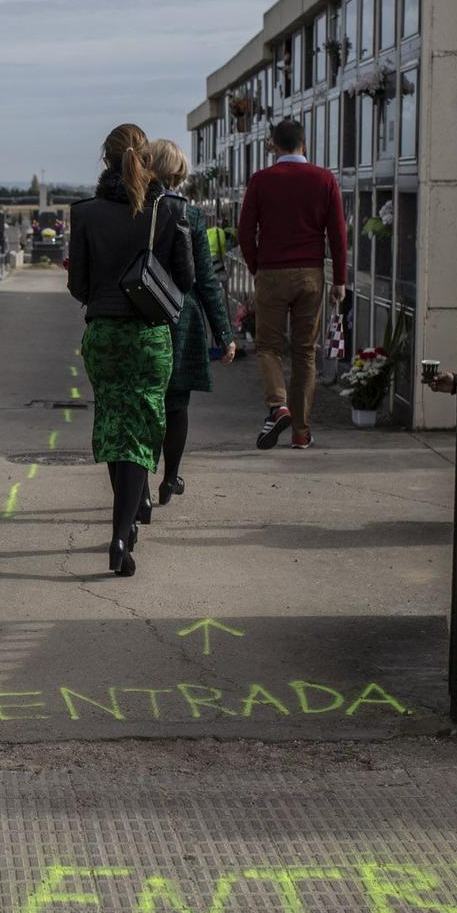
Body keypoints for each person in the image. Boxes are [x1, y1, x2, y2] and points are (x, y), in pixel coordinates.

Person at [66, 123, 193, 578]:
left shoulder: (85, 214)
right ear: (146, 157)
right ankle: (122, 533)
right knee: (141, 425)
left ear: (106, 160)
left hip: (103, 335)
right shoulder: (170, 208)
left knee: (114, 419)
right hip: (149, 335)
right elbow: (187, 279)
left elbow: (78, 284)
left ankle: (122, 524)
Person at [238, 117, 348, 450]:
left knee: (269, 347)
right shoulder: (324, 179)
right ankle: (301, 431)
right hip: (311, 275)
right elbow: (338, 234)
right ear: (304, 143)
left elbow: (245, 232)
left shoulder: (261, 180)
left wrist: (257, 266)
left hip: (272, 272)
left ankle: (278, 404)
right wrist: (339, 279)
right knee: (304, 353)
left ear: (273, 144)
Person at [146, 139, 236, 507]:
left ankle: (140, 483)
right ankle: (170, 478)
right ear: (178, 172)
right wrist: (225, 333)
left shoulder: (137, 210)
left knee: (148, 402)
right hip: (182, 315)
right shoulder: (192, 215)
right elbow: (206, 281)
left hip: (145, 311)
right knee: (176, 403)